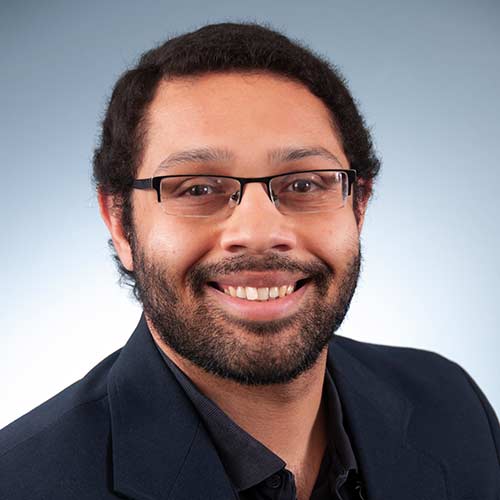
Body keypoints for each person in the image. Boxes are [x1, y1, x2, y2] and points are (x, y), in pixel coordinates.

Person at [1, 22, 499, 500]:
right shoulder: (20, 482)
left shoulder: (452, 405)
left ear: (358, 206)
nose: (260, 233)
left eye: (303, 184)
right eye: (198, 188)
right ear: (119, 222)